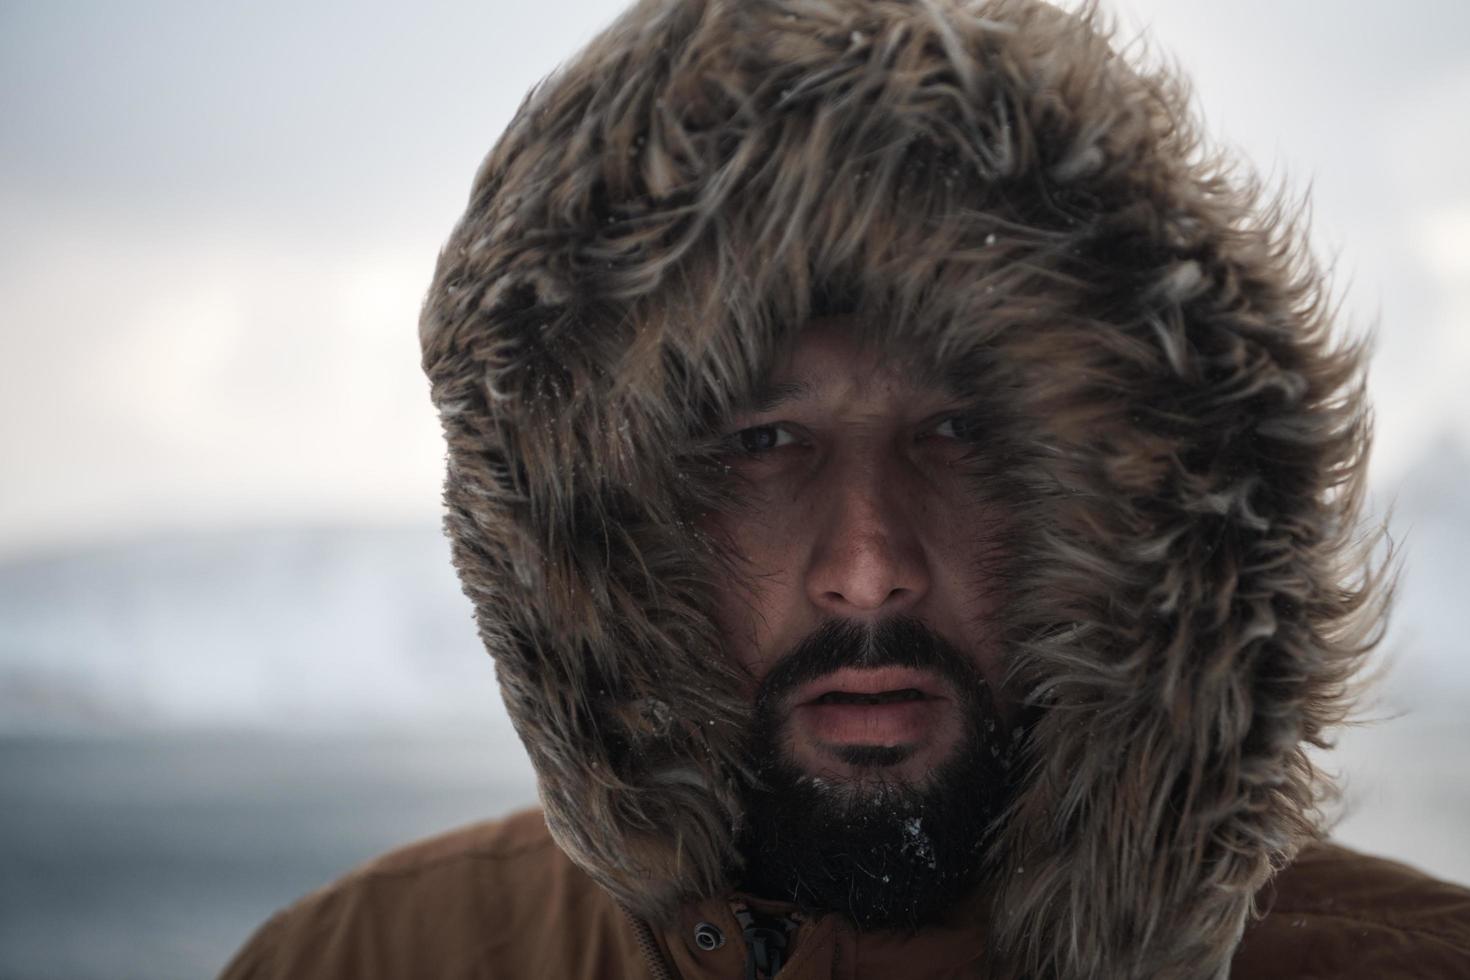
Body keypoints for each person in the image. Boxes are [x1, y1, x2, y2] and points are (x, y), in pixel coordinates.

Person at [222, 0, 1470, 976]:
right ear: (600, 532)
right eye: (766, 443)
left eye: (961, 432)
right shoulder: (369, 960)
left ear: (1142, 511)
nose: (871, 564)